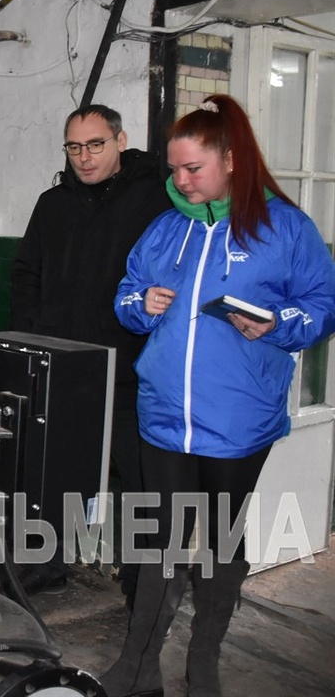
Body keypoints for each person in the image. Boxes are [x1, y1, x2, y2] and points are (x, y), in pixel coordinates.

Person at [101, 94, 335, 697]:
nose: (180, 181)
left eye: (192, 168)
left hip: (238, 420)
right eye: (174, 169)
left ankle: (204, 657)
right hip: (164, 416)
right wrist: (141, 304)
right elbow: (126, 296)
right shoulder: (166, 228)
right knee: (159, 542)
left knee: (220, 539)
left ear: (230, 160)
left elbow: (321, 306)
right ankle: (137, 664)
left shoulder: (285, 227)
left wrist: (276, 323)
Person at [11, 105, 171, 598]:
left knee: (142, 480)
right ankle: (44, 564)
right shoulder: (53, 204)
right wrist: (35, 336)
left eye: (96, 144)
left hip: (128, 372)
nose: (84, 157)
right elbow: (27, 275)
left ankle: (142, 580)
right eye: (74, 147)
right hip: (62, 369)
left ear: (120, 141)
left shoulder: (154, 198)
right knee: (53, 475)